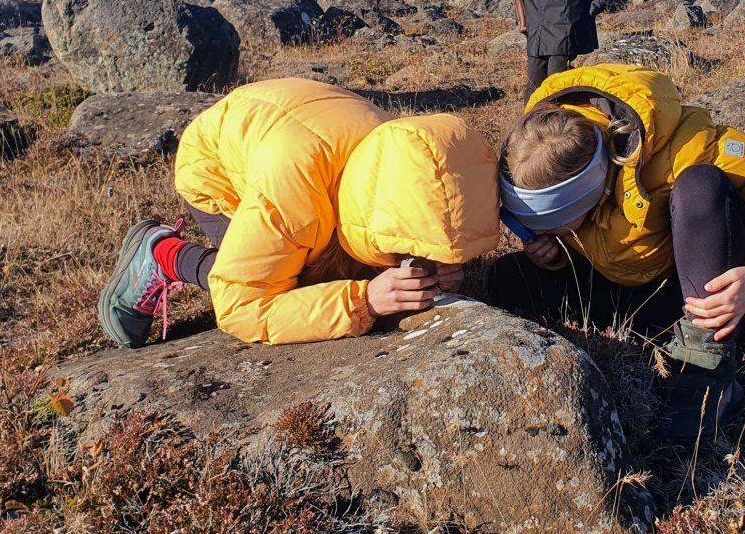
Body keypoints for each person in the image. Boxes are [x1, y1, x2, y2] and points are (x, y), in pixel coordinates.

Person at [491, 63, 745, 444]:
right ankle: (648, 342)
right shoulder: (533, 149)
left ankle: (704, 373)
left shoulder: (683, 143)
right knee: (506, 279)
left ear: (593, 187)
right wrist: (556, 253)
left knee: (700, 187)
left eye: (551, 223)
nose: (535, 233)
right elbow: (593, 237)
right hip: (629, 292)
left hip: (715, 302)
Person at [99, 77, 499, 348]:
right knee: (286, 287)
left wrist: (441, 263)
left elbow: (426, 211)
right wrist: (366, 300)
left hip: (291, 123)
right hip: (214, 165)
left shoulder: (404, 151)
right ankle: (161, 255)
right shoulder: (290, 193)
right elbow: (241, 306)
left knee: (327, 264)